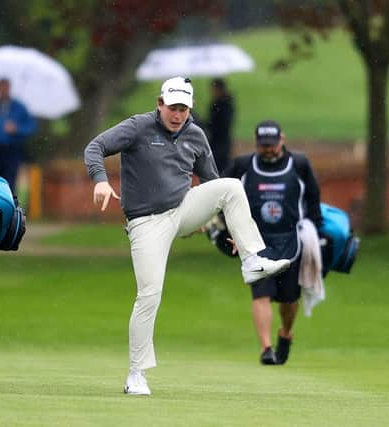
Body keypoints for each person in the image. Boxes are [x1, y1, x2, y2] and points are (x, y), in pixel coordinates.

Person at [84, 77, 291, 396]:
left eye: (183, 108)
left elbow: (211, 180)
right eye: (172, 107)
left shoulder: (195, 135)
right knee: (149, 295)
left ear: (190, 109)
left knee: (232, 186)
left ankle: (251, 260)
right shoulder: (138, 127)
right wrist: (100, 180)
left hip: (182, 208)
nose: (177, 114)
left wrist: (229, 227)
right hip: (145, 222)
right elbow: (95, 147)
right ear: (159, 103)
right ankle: (136, 374)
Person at [223, 120, 322, 365]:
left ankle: (285, 333)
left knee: (289, 299)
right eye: (263, 145)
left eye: (272, 144)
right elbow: (221, 195)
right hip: (255, 242)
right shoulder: (243, 166)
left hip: (291, 241)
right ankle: (266, 348)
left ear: (282, 140)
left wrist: (317, 231)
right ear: (257, 143)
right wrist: (227, 230)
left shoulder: (299, 165)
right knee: (261, 293)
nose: (268, 149)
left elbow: (313, 198)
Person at [0, 78, 37, 193]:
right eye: (1, 87)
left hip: (13, 151)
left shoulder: (19, 107)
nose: (3, 90)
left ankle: (11, 207)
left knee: (10, 183)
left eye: (5, 87)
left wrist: (17, 129)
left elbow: (31, 127)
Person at [206, 78, 235, 174]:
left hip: (219, 141)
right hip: (221, 141)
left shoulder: (222, 105)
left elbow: (220, 124)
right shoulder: (223, 103)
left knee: (219, 166)